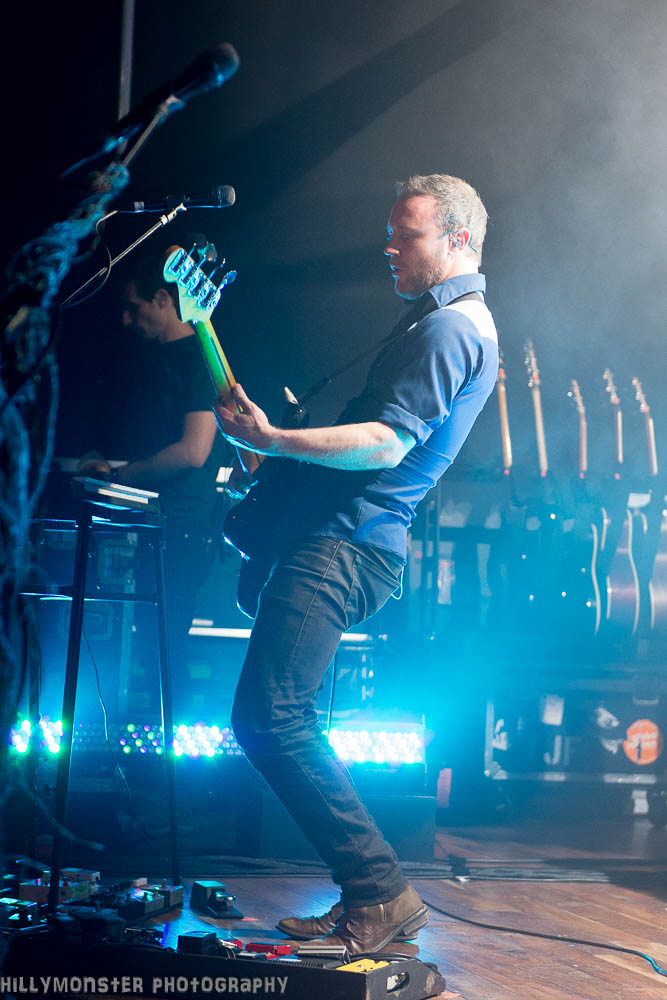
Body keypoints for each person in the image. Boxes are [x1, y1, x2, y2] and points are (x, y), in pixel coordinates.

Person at [213, 174, 499, 955]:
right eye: (391, 232)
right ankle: (371, 893)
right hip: (340, 538)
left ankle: (380, 891)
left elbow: (384, 444)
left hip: (346, 545)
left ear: (457, 239)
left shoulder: (451, 330)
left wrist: (274, 441)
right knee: (272, 717)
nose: (389, 248)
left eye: (406, 234)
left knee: (271, 717)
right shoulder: (435, 323)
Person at [84, 256, 231, 676]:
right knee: (133, 644)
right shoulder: (146, 358)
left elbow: (193, 451)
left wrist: (119, 476)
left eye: (135, 307)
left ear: (164, 299)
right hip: (147, 519)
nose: (126, 319)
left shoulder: (200, 360)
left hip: (182, 526)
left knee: (163, 647)